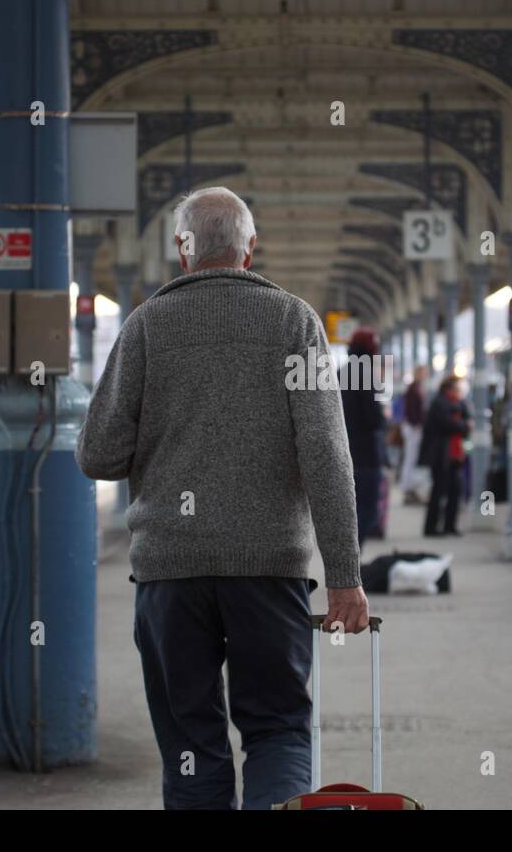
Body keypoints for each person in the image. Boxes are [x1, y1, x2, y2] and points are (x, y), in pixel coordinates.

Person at [75, 186, 369, 810]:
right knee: (279, 729)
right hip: (268, 570)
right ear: (250, 248)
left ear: (183, 250)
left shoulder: (146, 325)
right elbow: (327, 455)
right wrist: (344, 578)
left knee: (192, 745)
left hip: (171, 574)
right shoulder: (295, 321)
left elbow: (96, 454)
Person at [340, 327, 386, 547]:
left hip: (342, 451)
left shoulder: (339, 372)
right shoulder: (367, 374)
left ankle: (347, 557)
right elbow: (374, 419)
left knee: (348, 510)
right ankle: (353, 558)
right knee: (367, 509)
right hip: (366, 454)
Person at [420, 376, 470, 536]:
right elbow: (449, 424)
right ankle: (431, 528)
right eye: (457, 388)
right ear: (449, 389)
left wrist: (462, 423)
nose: (459, 391)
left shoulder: (458, 403)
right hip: (441, 454)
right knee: (438, 490)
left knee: (455, 489)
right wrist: (462, 425)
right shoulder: (439, 403)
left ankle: (450, 525)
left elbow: (466, 421)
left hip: (455, 454)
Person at [400, 365, 428, 504]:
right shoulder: (413, 388)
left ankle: (410, 487)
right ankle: (407, 488)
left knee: (412, 458)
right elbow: (412, 409)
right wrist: (417, 423)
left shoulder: (416, 388)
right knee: (410, 459)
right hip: (413, 427)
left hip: (414, 426)